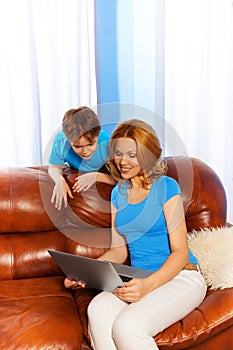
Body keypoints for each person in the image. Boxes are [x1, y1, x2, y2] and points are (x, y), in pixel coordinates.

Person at [65, 119, 207, 350]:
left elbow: (180, 252)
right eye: (118, 153)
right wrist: (84, 272)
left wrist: (148, 285)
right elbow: (118, 251)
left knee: (127, 327)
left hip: (180, 276)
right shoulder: (117, 194)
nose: (123, 161)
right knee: (97, 310)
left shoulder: (166, 187)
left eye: (132, 154)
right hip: (136, 277)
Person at [48, 106, 115, 210]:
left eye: (91, 144)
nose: (85, 151)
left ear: (97, 135)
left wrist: (96, 176)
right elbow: (53, 167)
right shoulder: (61, 141)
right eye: (78, 146)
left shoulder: (105, 142)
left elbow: (119, 179)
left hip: (104, 170)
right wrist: (59, 180)